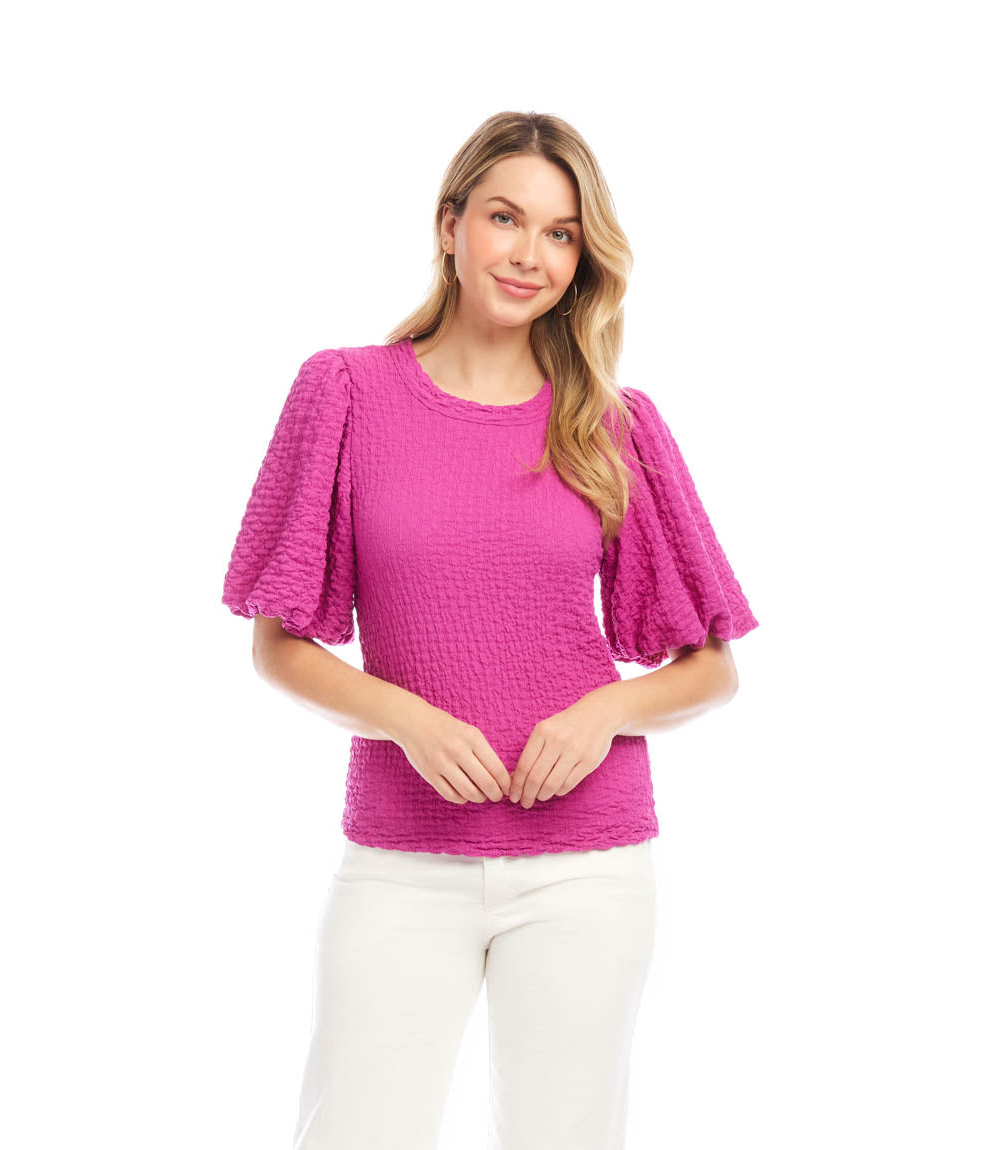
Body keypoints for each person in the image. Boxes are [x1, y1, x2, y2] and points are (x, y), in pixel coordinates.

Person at [220, 110, 759, 1150]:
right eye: (506, 218)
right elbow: (276, 644)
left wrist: (602, 712)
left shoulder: (613, 422)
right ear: (450, 224)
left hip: (588, 862)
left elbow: (711, 669)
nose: (529, 254)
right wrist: (406, 719)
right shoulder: (345, 391)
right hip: (400, 852)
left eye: (561, 234)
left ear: (582, 259)